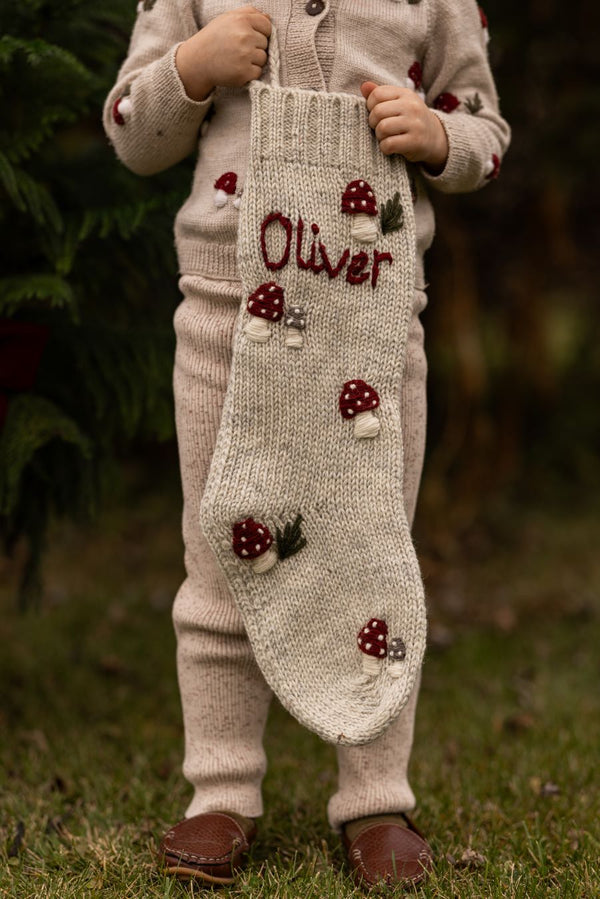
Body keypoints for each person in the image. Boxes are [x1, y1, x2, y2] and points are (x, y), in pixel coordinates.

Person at [102, 0, 510, 889]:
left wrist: (441, 138)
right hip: (225, 312)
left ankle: (374, 797)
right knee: (218, 553)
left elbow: (487, 128)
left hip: (368, 319)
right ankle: (221, 790)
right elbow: (133, 128)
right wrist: (194, 68)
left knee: (372, 551)